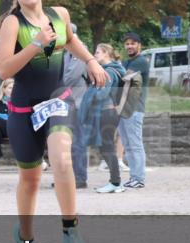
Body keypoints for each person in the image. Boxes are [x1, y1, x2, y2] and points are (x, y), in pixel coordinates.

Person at [0, 0, 106, 243]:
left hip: (56, 99)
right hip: (23, 108)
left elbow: (70, 39)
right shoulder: (13, 25)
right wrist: (35, 45)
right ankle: (25, 239)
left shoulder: (60, 15)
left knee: (62, 158)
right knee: (30, 180)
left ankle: (71, 229)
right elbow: (3, 70)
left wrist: (91, 62)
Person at [79, 44, 126, 194]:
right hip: (107, 113)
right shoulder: (110, 70)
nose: (94, 54)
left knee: (107, 147)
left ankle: (116, 182)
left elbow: (103, 94)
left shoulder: (109, 72)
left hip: (107, 112)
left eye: (97, 52)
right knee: (105, 147)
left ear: (106, 53)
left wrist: (91, 93)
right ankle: (115, 181)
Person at [119, 32, 149, 189]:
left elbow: (123, 78)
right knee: (127, 144)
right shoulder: (126, 61)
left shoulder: (140, 61)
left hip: (135, 108)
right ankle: (134, 177)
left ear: (139, 45)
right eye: (127, 43)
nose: (129, 46)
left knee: (135, 144)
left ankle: (139, 178)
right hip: (123, 108)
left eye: (133, 43)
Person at [62, 24, 90, 189]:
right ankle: (67, 177)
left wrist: (52, 82)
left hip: (78, 104)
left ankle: (79, 177)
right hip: (66, 103)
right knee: (65, 143)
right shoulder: (66, 53)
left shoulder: (80, 51)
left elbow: (70, 77)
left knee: (78, 143)